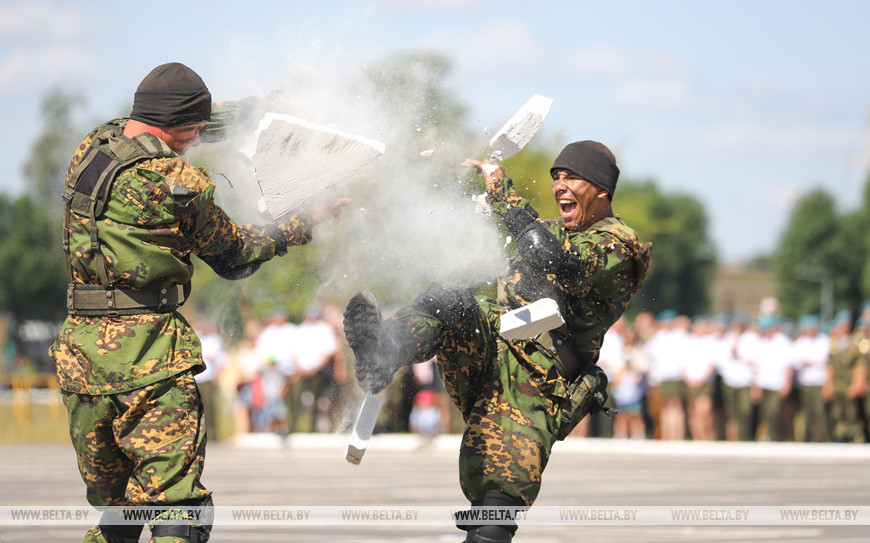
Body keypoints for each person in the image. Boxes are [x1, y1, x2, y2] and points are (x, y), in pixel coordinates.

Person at [49, 62, 349, 543]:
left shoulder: (94, 146)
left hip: (83, 359)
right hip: (147, 359)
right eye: (192, 133)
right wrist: (304, 220)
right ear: (184, 128)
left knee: (119, 515)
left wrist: (262, 109)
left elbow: (185, 122)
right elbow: (236, 256)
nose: (195, 141)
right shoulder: (174, 181)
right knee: (180, 514)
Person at [343, 141, 651, 542]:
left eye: (571, 176)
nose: (560, 185)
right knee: (449, 297)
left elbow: (551, 257)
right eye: (556, 176)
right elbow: (513, 247)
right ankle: (383, 353)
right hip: (494, 347)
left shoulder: (619, 243)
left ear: (601, 189)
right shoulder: (549, 229)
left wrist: (501, 190)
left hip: (540, 377)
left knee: (498, 495)